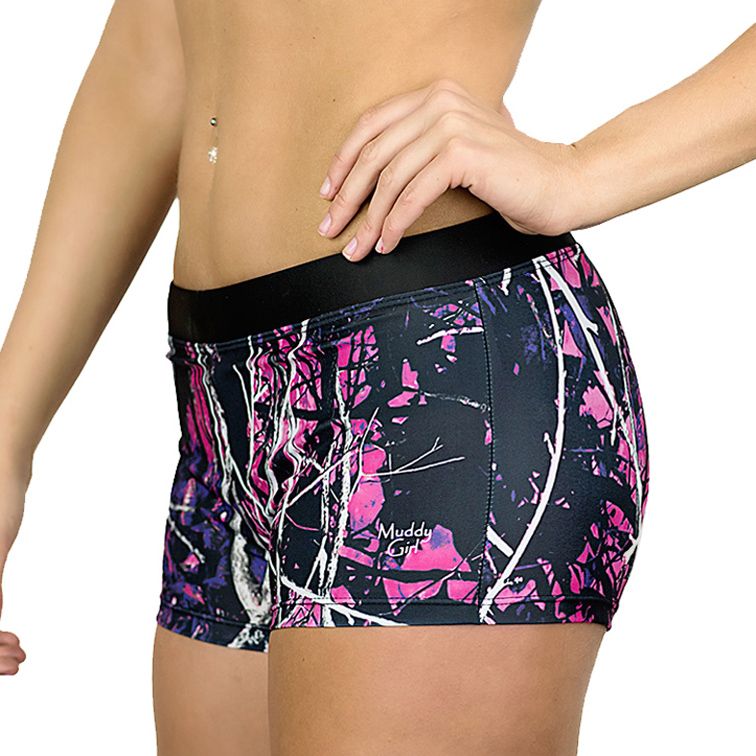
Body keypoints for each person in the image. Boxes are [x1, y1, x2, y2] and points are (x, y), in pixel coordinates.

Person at [0, 0, 753, 752]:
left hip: (438, 383)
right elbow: (153, 51)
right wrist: (6, 440)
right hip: (223, 409)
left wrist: (581, 172)